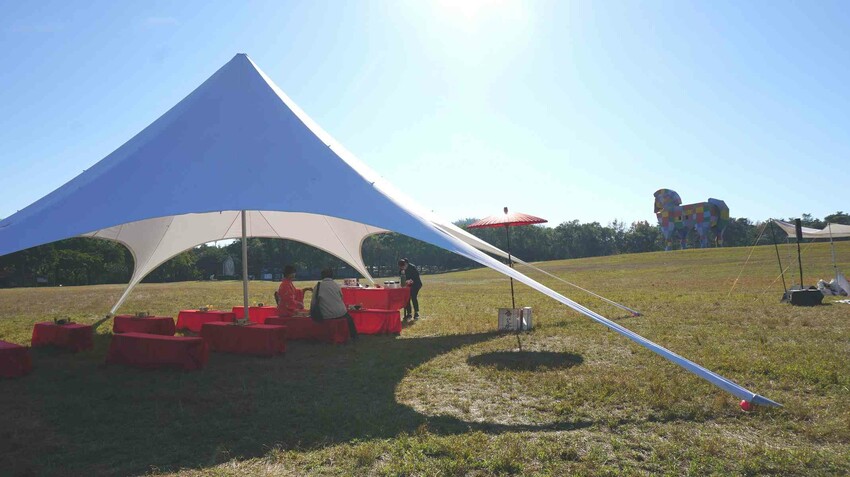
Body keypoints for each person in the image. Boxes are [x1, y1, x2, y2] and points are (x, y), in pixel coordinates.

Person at [310, 268, 358, 339]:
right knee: (349, 319)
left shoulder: (318, 286)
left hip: (325, 314)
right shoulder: (336, 285)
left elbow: (313, 302)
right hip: (341, 313)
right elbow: (341, 297)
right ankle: (354, 336)